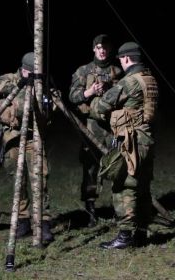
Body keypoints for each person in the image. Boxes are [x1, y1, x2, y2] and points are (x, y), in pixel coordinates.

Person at [90, 41, 159, 249]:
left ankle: (125, 235)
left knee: (124, 185)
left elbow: (100, 108)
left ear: (126, 58)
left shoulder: (128, 82)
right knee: (143, 186)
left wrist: (96, 99)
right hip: (146, 138)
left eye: (121, 58)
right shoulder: (150, 78)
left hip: (130, 141)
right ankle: (141, 232)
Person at [0, 52, 54, 243]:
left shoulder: (44, 83)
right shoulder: (10, 79)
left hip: (34, 136)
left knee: (41, 178)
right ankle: (22, 220)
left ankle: (43, 222)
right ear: (25, 69)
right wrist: (25, 84)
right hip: (13, 135)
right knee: (17, 179)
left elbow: (51, 104)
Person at [68, 34, 123, 227]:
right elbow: (72, 97)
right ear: (94, 49)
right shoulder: (83, 71)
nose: (102, 50)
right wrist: (89, 92)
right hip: (91, 127)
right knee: (90, 168)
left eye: (105, 46)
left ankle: (120, 209)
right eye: (99, 46)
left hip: (114, 127)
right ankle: (91, 209)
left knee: (118, 166)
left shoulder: (118, 71)